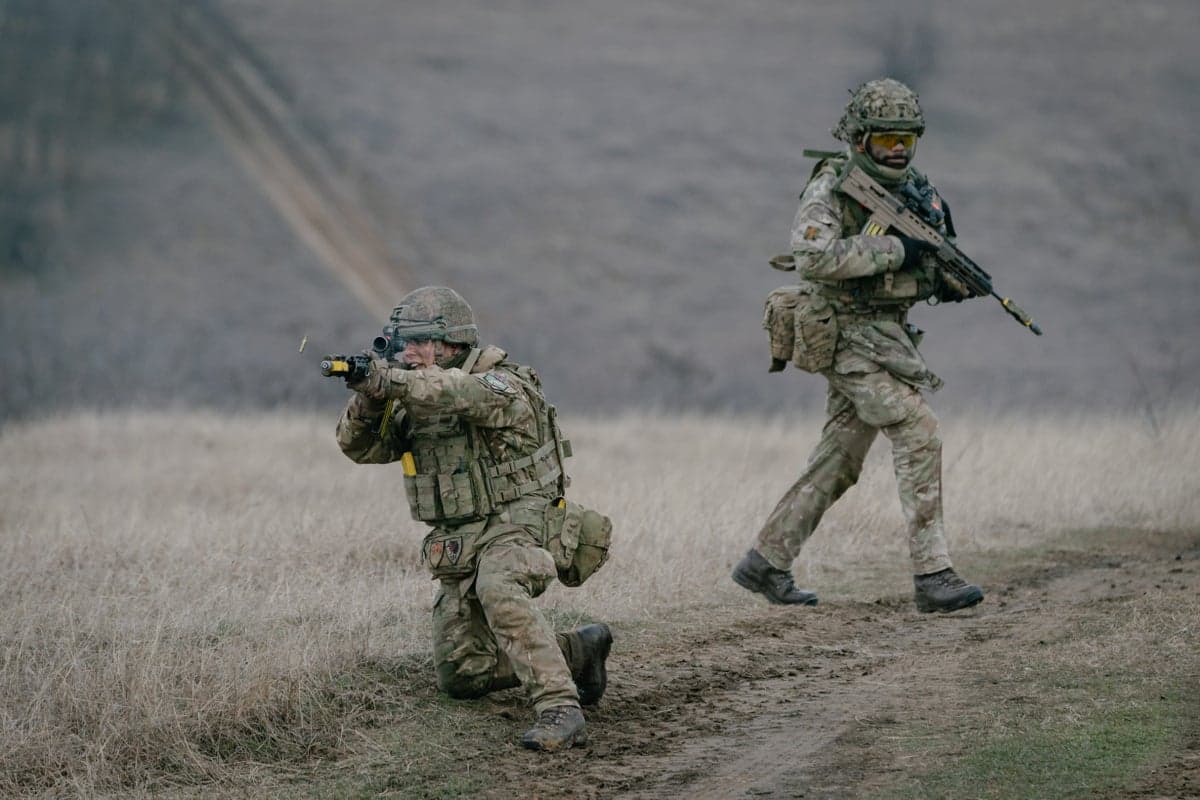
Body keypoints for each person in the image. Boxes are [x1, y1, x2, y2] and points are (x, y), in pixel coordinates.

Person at [731, 78, 985, 614]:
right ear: (861, 138)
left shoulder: (914, 191)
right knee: (920, 430)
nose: (897, 150)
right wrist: (897, 248)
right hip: (844, 337)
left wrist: (941, 280)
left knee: (839, 459)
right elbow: (812, 257)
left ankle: (765, 561)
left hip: (884, 338)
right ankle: (933, 574)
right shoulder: (833, 187)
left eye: (906, 140)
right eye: (886, 139)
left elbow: (926, 256)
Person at [333, 286, 612, 751]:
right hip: (461, 541)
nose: (406, 353)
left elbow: (459, 395)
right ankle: (577, 652)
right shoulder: (410, 393)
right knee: (463, 674)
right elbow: (357, 447)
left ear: (450, 344)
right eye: (400, 343)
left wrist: (393, 382)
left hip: (519, 524)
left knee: (498, 584)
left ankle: (560, 707)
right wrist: (371, 395)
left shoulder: (499, 381)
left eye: (417, 342)